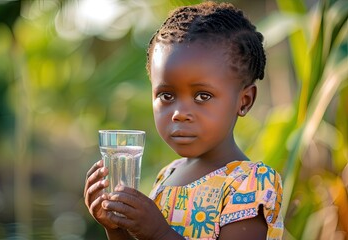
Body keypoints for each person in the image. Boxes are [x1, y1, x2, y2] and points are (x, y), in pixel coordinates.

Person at [84, 1, 284, 239]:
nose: (179, 113)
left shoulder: (250, 183)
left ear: (244, 101)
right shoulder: (167, 175)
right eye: (166, 95)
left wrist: (158, 232)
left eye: (202, 96)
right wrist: (115, 228)